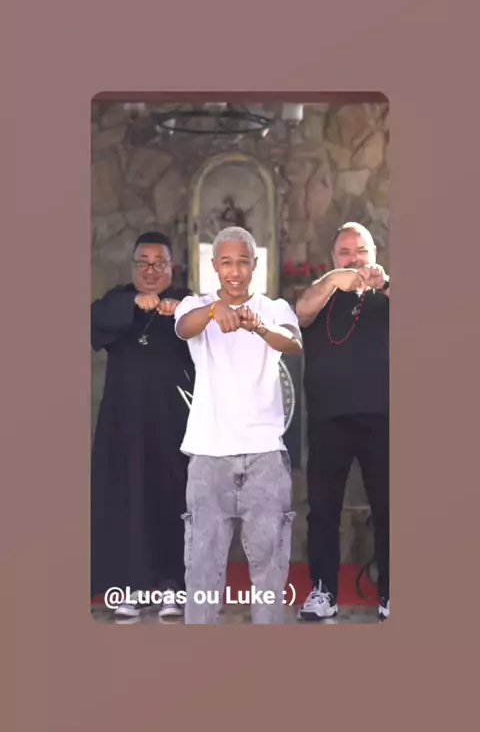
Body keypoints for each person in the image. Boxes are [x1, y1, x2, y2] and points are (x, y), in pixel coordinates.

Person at [174, 226, 302, 625]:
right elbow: (183, 327)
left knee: (269, 573)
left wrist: (258, 327)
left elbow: (293, 342)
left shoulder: (274, 307)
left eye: (242, 262)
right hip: (208, 457)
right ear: (214, 266)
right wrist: (216, 311)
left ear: (254, 264)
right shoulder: (196, 305)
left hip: (266, 457)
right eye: (226, 262)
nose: (235, 271)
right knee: (202, 572)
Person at [91, 232, 195, 619]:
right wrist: (134, 303)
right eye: (143, 263)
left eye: (159, 263)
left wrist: (180, 311)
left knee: (174, 500)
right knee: (127, 503)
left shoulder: (186, 301)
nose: (151, 270)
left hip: (173, 424)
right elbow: (94, 320)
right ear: (134, 267)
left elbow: (209, 326)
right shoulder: (118, 300)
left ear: (172, 267)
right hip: (125, 426)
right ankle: (130, 587)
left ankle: (172, 586)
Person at [295, 222, 390, 622]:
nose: (354, 259)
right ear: (333, 258)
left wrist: (385, 283)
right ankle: (323, 592)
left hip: (383, 418)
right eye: (345, 252)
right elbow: (302, 312)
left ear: (374, 254)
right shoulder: (323, 293)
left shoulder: (386, 294)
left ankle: (392, 593)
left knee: (390, 508)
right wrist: (336, 279)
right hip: (328, 419)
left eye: (361, 251)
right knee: (322, 510)